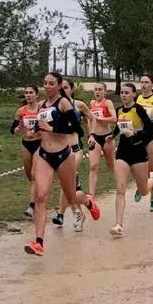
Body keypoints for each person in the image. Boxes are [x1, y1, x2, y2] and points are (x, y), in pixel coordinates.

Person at [25, 73, 101, 256]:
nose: (47, 86)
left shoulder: (64, 103)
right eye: (45, 83)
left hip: (64, 154)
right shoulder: (43, 105)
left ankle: (88, 201)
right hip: (44, 155)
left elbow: (76, 128)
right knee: (41, 196)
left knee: (72, 198)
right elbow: (40, 124)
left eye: (51, 83)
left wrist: (53, 129)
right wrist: (32, 132)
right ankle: (39, 242)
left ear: (59, 86)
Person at [110, 83, 153, 237]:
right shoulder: (118, 110)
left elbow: (151, 129)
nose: (123, 95)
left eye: (126, 93)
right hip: (123, 152)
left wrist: (136, 135)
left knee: (143, 190)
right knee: (120, 188)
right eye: (122, 92)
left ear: (133, 95)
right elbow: (119, 127)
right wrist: (112, 135)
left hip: (138, 152)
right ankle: (118, 225)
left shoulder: (138, 109)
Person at [52, 78, 92, 230]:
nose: (63, 91)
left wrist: (91, 135)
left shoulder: (78, 105)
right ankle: (85, 204)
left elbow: (91, 118)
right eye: (60, 88)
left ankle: (62, 215)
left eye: (66, 88)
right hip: (59, 150)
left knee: (66, 180)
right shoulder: (54, 107)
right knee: (70, 185)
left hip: (76, 149)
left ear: (72, 89)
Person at [10, 85, 43, 220]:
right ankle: (40, 193)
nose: (28, 95)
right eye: (26, 93)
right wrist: (16, 129)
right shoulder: (20, 111)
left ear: (36, 95)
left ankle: (31, 206)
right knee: (30, 175)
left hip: (39, 143)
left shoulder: (41, 109)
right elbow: (12, 129)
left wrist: (34, 131)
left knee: (35, 174)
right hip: (26, 144)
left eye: (31, 93)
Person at [85, 84, 116, 203]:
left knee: (111, 165)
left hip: (107, 137)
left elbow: (114, 118)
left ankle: (120, 185)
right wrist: (90, 134)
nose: (97, 92)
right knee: (93, 166)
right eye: (96, 90)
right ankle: (91, 196)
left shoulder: (108, 103)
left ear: (105, 91)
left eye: (100, 90)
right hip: (95, 138)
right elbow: (89, 120)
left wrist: (100, 119)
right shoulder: (92, 103)